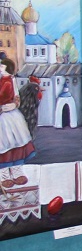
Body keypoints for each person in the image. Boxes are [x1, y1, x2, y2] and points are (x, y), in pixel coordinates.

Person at [0, 57, 34, 188]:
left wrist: (14, 105)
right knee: (2, 145)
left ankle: (17, 172)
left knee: (16, 142)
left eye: (2, 66)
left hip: (11, 116)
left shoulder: (11, 80)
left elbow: (16, 97)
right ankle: (4, 175)